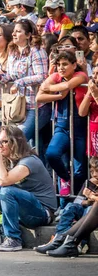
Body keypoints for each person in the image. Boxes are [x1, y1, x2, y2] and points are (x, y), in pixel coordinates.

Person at [0, 19, 49, 144]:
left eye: (18, 31)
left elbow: (42, 76)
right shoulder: (13, 51)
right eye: (13, 31)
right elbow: (10, 76)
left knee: (17, 140)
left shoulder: (37, 51)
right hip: (19, 106)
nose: (13, 34)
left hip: (37, 106)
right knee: (33, 145)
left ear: (28, 35)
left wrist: (19, 82)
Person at [38, 50, 88, 196]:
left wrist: (49, 87)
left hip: (80, 127)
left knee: (79, 169)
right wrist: (58, 95)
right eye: (59, 64)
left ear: (74, 65)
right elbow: (38, 97)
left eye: (65, 64)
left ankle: (74, 201)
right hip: (62, 125)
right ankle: (65, 178)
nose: (61, 68)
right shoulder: (56, 76)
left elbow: (67, 86)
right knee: (52, 154)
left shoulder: (81, 75)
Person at [35, 157, 98, 256]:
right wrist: (88, 200)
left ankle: (74, 242)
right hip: (84, 209)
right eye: (92, 171)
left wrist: (91, 197)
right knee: (70, 206)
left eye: (97, 171)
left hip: (91, 212)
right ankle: (60, 238)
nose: (95, 174)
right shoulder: (90, 182)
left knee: (92, 208)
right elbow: (79, 201)